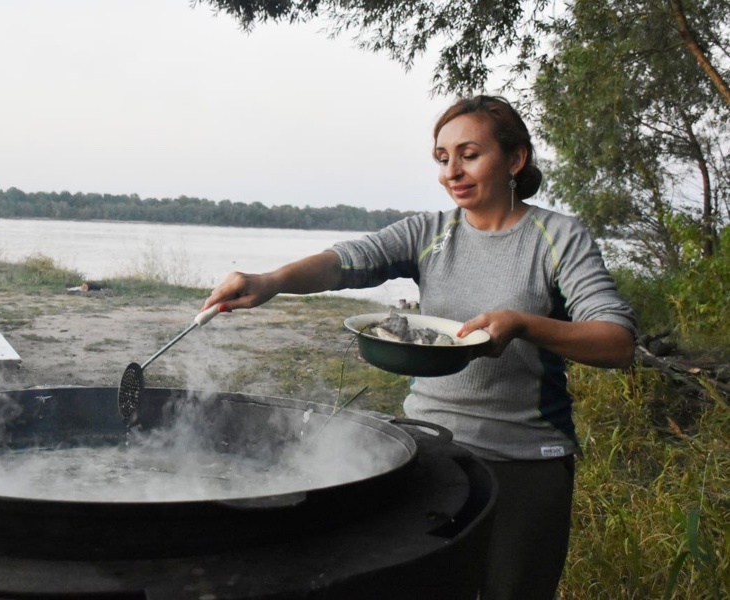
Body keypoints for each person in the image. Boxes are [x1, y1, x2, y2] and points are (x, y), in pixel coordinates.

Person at [202, 95, 637, 599]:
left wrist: (521, 324)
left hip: (525, 460)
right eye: (442, 157)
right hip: (431, 449)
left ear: (514, 160)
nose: (452, 170)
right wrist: (271, 279)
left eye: (469, 154)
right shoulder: (429, 233)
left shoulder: (557, 236)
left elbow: (617, 341)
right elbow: (347, 260)